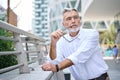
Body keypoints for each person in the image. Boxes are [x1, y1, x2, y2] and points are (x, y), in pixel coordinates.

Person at [41, 8, 110, 80]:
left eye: (76, 17)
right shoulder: (61, 41)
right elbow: (53, 61)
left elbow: (80, 55)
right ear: (63, 24)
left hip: (100, 78)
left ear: (79, 20)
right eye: (69, 19)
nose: (73, 21)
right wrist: (53, 44)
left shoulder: (92, 33)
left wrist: (57, 67)